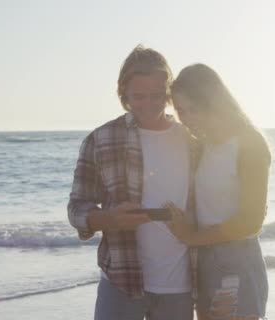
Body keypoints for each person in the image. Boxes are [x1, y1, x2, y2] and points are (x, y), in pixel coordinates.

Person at [67, 45, 200, 320]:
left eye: (157, 96)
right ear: (123, 94)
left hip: (181, 286)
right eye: (138, 96)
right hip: (121, 282)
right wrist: (109, 219)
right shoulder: (100, 139)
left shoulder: (193, 140)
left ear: (169, 93)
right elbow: (76, 209)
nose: (149, 104)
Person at [167, 63, 271, 320]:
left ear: (213, 101)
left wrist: (191, 237)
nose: (188, 117)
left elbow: (251, 221)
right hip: (205, 263)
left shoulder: (249, 143)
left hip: (237, 258)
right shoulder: (202, 146)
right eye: (181, 111)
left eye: (194, 108)